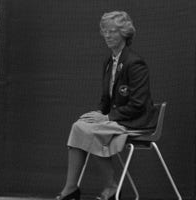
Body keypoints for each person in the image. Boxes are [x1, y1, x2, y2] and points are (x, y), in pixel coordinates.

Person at [56, 11, 156, 200]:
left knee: (92, 131)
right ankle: (70, 189)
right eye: (104, 31)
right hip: (118, 118)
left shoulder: (135, 63)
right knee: (80, 126)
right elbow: (106, 99)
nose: (107, 36)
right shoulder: (109, 62)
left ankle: (111, 187)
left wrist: (107, 117)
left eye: (112, 31)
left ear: (124, 33)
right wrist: (98, 113)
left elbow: (138, 104)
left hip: (137, 121)